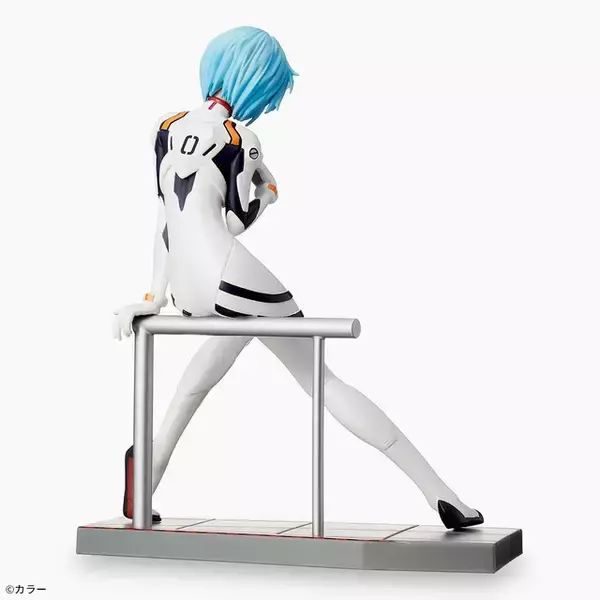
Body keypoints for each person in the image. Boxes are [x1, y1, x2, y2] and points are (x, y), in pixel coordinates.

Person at [113, 26, 483, 529]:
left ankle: (149, 469)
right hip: (227, 275)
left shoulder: (167, 127)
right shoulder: (242, 140)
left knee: (210, 365)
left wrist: (154, 296)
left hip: (186, 284)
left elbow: (166, 216)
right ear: (258, 82)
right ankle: (441, 495)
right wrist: (267, 194)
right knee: (322, 380)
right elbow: (234, 222)